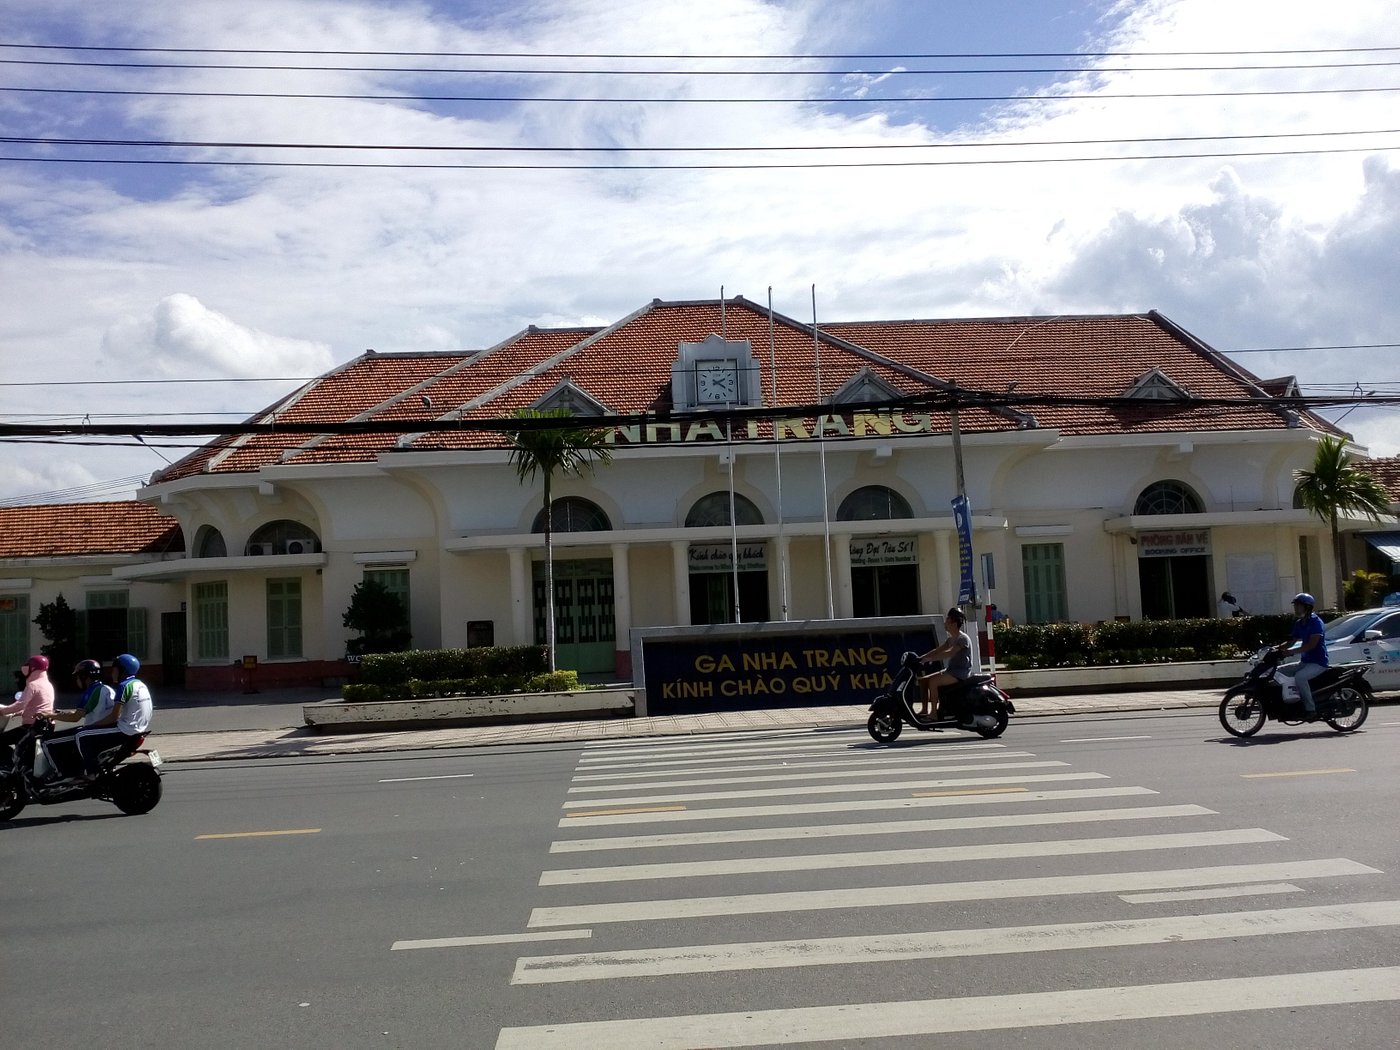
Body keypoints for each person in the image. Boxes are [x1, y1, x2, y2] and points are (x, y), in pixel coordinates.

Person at [73, 653, 153, 780]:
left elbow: (113, 717)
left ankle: (92, 773)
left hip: (125, 729)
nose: (112, 672)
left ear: (122, 670)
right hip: (139, 728)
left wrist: (92, 726)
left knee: (82, 735)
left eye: (115, 669)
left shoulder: (124, 686)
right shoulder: (140, 684)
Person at [43, 659, 116, 779]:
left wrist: (48, 715)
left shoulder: (91, 692)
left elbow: (75, 717)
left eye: (77, 677)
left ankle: (62, 775)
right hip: (103, 730)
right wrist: (59, 713)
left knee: (47, 741)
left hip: (92, 732)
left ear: (84, 676)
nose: (76, 680)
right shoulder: (106, 689)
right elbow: (83, 711)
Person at [1275, 592, 1327, 721]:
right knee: (1278, 671)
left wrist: (1291, 652)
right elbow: (1291, 640)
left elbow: (1311, 645)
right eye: (1295, 605)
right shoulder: (1300, 623)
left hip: (1318, 663)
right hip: (1305, 662)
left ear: (1307, 607)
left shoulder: (1316, 623)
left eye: (1298, 605)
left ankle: (1311, 709)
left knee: (1300, 677)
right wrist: (1276, 649)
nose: (1296, 608)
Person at [917, 607, 973, 718]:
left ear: (954, 622)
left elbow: (950, 652)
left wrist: (930, 659)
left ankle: (933, 713)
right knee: (923, 681)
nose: (945, 622)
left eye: (947, 620)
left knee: (933, 682)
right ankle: (924, 710)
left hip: (960, 673)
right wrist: (920, 658)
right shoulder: (950, 639)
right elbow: (937, 650)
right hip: (951, 671)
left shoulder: (962, 638)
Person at [0, 655, 55, 748]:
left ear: (32, 669)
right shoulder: (48, 684)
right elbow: (38, 705)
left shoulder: (33, 685)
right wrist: (18, 713)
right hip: (47, 726)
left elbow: (20, 705)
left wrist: (2, 712)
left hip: (31, 727)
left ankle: (11, 762)